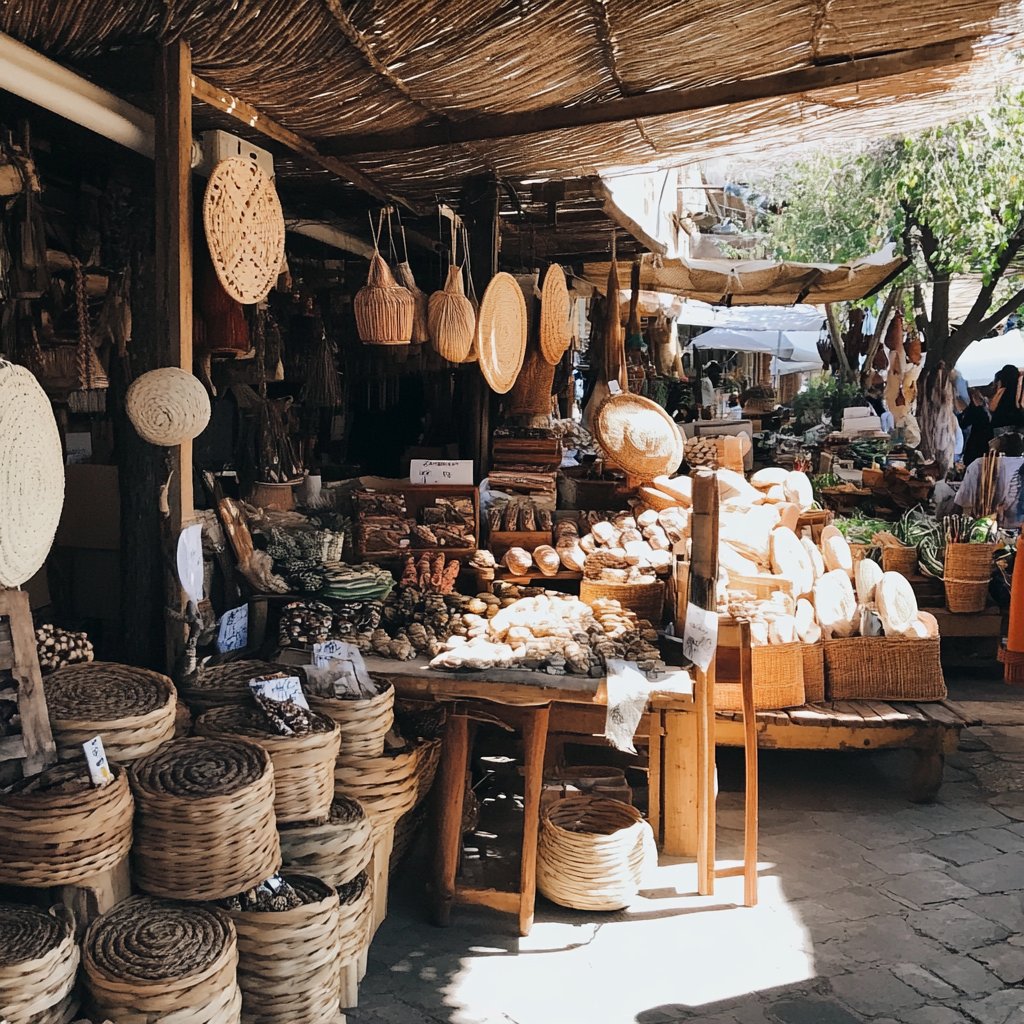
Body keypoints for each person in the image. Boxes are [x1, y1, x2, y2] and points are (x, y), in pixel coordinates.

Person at [954, 432, 1024, 528]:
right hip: (1014, 525)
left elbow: (964, 502)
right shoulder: (980, 464)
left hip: (984, 525)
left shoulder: (979, 464)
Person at [959, 387, 994, 466]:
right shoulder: (985, 408)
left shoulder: (977, 410)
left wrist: (963, 412)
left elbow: (963, 424)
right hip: (984, 444)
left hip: (976, 445)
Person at [989, 364, 1022, 435]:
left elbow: (992, 408)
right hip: (1018, 421)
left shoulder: (1003, 389)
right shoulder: (1019, 388)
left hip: (1001, 424)